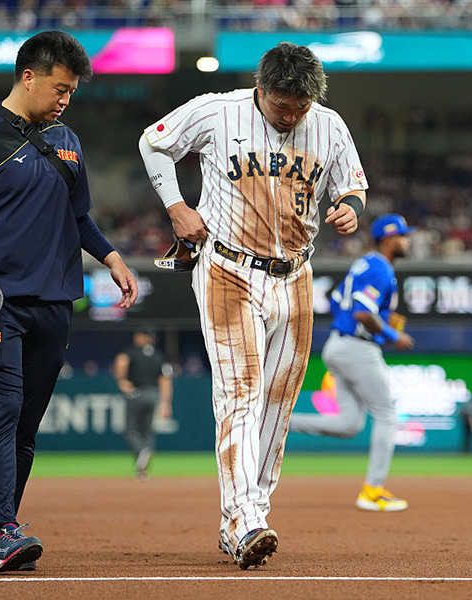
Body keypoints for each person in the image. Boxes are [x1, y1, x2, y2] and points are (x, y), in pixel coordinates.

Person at [138, 41, 367, 569]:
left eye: (301, 105)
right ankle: (244, 519)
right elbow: (154, 143)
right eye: (283, 104)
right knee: (239, 392)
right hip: (228, 268)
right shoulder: (218, 110)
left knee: (279, 403)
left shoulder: (328, 125)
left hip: (296, 275)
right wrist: (175, 206)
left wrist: (350, 209)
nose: (292, 114)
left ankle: (247, 515)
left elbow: (352, 186)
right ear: (261, 89)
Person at [0, 31, 138, 573]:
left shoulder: (68, 140)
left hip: (56, 302)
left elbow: (78, 215)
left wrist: (110, 257)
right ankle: (0, 531)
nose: (66, 99)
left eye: (72, 91)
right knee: (3, 410)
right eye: (60, 88)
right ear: (28, 77)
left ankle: (0, 530)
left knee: (26, 424)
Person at [290, 213, 415, 512]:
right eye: (402, 235)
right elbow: (361, 312)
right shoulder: (379, 268)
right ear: (387, 238)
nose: (407, 240)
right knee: (386, 415)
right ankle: (372, 491)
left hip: (339, 344)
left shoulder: (364, 263)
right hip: (357, 348)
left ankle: (281, 423)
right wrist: (390, 334)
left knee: (349, 424)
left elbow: (336, 301)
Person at [113, 329, 173, 480]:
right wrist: (166, 403)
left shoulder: (132, 352)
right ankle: (142, 470)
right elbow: (165, 379)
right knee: (146, 431)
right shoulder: (159, 356)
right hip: (153, 394)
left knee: (131, 429)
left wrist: (121, 380)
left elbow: (121, 360)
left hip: (136, 393)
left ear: (140, 337)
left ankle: (142, 452)